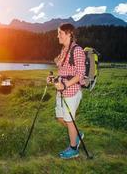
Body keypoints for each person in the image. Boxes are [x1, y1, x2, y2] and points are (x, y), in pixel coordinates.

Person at [48, 23, 86, 159]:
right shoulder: (64, 50)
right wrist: (53, 79)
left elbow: (81, 74)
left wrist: (66, 85)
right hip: (61, 91)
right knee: (60, 117)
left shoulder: (77, 50)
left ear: (69, 34)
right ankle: (77, 133)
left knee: (69, 120)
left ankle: (73, 148)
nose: (57, 36)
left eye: (60, 33)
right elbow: (63, 72)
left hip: (72, 91)